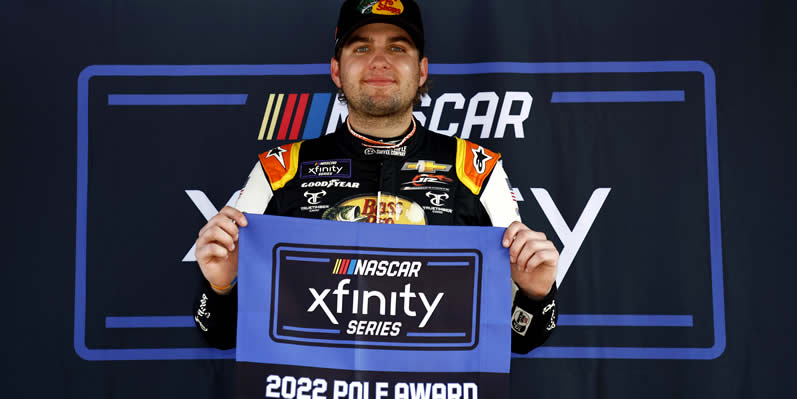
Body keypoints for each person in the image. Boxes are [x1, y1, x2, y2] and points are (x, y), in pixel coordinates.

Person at [192, 0, 558, 354]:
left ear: (422, 71)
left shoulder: (477, 170)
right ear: (337, 69)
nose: (379, 61)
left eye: (398, 48)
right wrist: (220, 287)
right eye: (361, 47)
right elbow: (220, 334)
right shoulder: (279, 170)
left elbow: (520, 339)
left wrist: (536, 296)